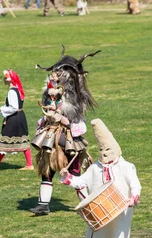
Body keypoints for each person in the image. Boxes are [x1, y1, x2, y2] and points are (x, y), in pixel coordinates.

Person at [60, 119, 141, 238]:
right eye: (101, 149)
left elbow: (135, 184)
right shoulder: (95, 167)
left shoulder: (126, 167)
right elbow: (81, 182)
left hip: (120, 212)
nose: (104, 153)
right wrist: (67, 177)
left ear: (116, 149)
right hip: (99, 212)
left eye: (108, 149)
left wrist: (133, 198)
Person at [30, 47, 100, 216]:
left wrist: (62, 114)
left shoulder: (74, 94)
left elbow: (73, 113)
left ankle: (86, 204)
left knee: (74, 172)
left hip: (69, 138)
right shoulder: (52, 90)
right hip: (51, 136)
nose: (57, 75)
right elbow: (48, 104)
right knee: (47, 170)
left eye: (61, 72)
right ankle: (43, 205)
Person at [0, 70, 33, 171]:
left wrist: (0, 110)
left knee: (5, 139)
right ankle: (29, 164)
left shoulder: (12, 91)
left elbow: (13, 107)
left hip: (14, 118)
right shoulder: (18, 89)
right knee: (23, 139)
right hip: (20, 117)